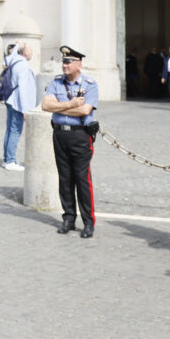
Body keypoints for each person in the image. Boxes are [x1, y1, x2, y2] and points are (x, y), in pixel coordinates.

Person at [42, 46, 100, 238]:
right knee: (64, 177)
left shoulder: (90, 84)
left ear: (79, 64)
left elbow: (85, 111)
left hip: (80, 136)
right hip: (60, 135)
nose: (65, 65)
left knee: (82, 179)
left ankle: (88, 221)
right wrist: (70, 105)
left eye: (69, 62)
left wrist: (58, 108)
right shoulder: (56, 83)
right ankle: (68, 218)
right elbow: (45, 105)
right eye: (63, 62)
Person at [0, 41, 36, 171]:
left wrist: (17, 45)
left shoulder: (13, 60)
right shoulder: (23, 65)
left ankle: (6, 159)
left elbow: (11, 54)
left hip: (10, 100)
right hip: (17, 103)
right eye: (30, 49)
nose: (32, 52)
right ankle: (10, 161)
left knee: (10, 129)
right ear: (25, 52)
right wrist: (25, 109)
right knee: (15, 131)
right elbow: (23, 89)